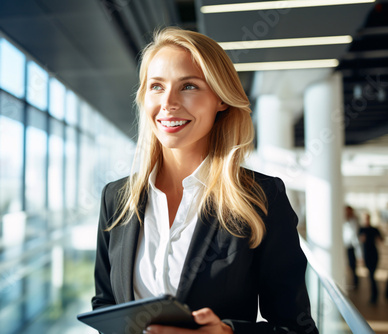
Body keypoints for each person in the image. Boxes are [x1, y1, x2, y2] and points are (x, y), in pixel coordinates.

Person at [91, 27, 318, 334]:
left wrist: (227, 333)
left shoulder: (261, 197)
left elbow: (298, 329)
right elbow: (105, 305)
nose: (168, 102)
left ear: (221, 100)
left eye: (189, 86)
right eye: (156, 86)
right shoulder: (117, 197)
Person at [358, 213, 383, 304]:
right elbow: (359, 243)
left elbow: (381, 240)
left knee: (372, 275)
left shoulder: (374, 229)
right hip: (366, 255)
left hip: (374, 254)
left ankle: (374, 296)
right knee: (371, 275)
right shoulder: (362, 229)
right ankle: (375, 295)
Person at [343, 205, 360, 289]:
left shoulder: (354, 220)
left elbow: (354, 235)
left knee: (352, 265)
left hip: (351, 246)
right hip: (344, 245)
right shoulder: (343, 220)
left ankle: (355, 282)